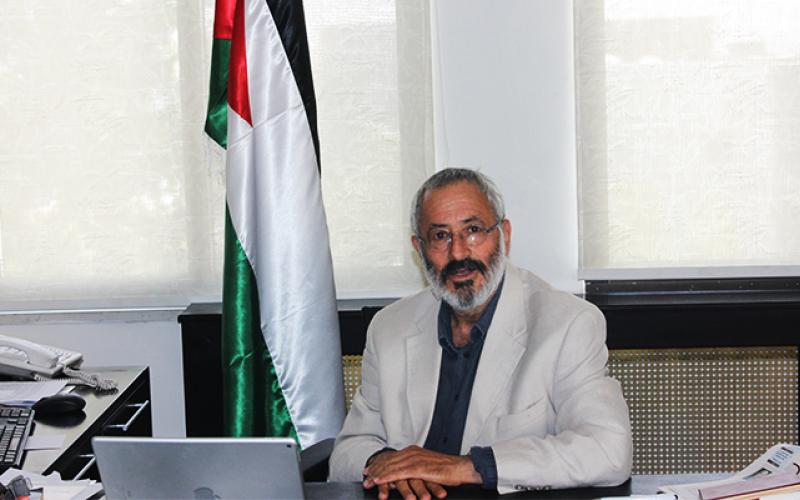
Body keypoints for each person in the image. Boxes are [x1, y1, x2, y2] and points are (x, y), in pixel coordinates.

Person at [329, 168, 632, 498]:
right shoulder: (389, 328)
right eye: (440, 236)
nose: (458, 253)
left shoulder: (568, 324)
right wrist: (388, 464)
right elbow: (347, 453)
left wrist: (467, 467)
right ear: (419, 248)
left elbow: (607, 451)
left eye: (473, 231)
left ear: (504, 235)